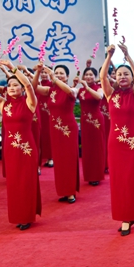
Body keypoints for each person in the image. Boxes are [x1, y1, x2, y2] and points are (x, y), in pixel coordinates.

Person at [0, 59, 41, 230]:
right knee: (14, 183)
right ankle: (18, 215)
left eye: (16, 85)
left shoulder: (29, 103)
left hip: (27, 149)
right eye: (10, 86)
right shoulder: (3, 104)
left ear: (22, 88)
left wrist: (12, 68)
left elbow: (30, 86)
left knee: (26, 181)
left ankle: (27, 216)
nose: (12, 88)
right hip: (10, 149)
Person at [100, 43, 134, 235]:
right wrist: (109, 56)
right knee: (118, 181)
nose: (122, 77)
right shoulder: (111, 95)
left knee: (131, 179)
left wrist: (128, 55)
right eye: (119, 74)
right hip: (115, 144)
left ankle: (130, 216)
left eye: (126, 74)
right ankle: (124, 215)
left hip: (133, 144)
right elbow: (102, 76)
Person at [34, 64, 79, 203]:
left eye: (61, 73)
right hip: (55, 129)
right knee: (59, 160)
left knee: (69, 159)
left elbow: (71, 93)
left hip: (68, 130)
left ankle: (71, 191)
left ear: (66, 77)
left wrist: (54, 77)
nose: (58, 75)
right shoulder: (49, 90)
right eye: (56, 72)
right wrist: (37, 72)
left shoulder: (72, 89)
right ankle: (63, 191)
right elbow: (34, 87)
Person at [77, 67, 105, 186]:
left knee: (96, 147)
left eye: (91, 75)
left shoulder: (98, 88)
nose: (88, 77)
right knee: (87, 148)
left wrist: (87, 88)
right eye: (86, 74)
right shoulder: (80, 90)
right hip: (85, 121)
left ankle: (97, 175)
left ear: (95, 77)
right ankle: (89, 175)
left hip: (96, 121)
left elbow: (100, 97)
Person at [35, 68, 54, 168]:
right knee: (39, 135)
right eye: (42, 72)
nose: (44, 74)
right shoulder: (37, 84)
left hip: (49, 114)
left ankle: (50, 157)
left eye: (46, 72)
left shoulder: (52, 84)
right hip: (38, 113)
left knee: (49, 135)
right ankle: (38, 158)